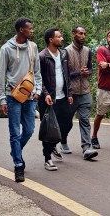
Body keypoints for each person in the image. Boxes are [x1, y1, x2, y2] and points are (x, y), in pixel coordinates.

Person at [0, 17, 43, 182]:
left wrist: (38, 90)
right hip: (12, 96)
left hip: (30, 96)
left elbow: (37, 71)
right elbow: (1, 74)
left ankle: (15, 151)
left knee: (29, 130)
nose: (32, 31)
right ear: (21, 30)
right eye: (30, 28)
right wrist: (2, 99)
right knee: (14, 132)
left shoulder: (33, 47)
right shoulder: (6, 49)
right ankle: (18, 164)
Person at [38, 28, 73, 171]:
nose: (62, 39)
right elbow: (38, 78)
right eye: (59, 37)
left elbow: (67, 75)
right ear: (51, 40)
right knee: (49, 128)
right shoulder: (42, 56)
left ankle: (53, 146)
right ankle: (47, 159)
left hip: (63, 96)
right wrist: (45, 93)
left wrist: (69, 93)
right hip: (48, 98)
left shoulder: (64, 54)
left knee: (67, 124)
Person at [65, 26, 98, 160]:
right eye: (80, 33)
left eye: (84, 33)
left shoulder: (88, 51)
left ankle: (86, 148)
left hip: (85, 91)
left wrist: (87, 72)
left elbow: (90, 69)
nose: (83, 36)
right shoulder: (66, 51)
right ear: (73, 34)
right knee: (67, 122)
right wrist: (79, 72)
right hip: (70, 93)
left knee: (84, 120)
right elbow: (64, 74)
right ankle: (62, 141)